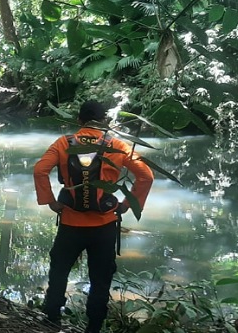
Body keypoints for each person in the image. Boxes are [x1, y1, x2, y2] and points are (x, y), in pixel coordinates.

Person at [33, 100, 154, 332]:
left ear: (80, 121)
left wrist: (50, 201)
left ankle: (51, 319)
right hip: (104, 225)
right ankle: (94, 326)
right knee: (100, 279)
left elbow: (40, 170)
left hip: (70, 223)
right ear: (105, 123)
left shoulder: (64, 143)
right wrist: (127, 204)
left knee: (59, 272)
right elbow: (145, 176)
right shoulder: (116, 145)